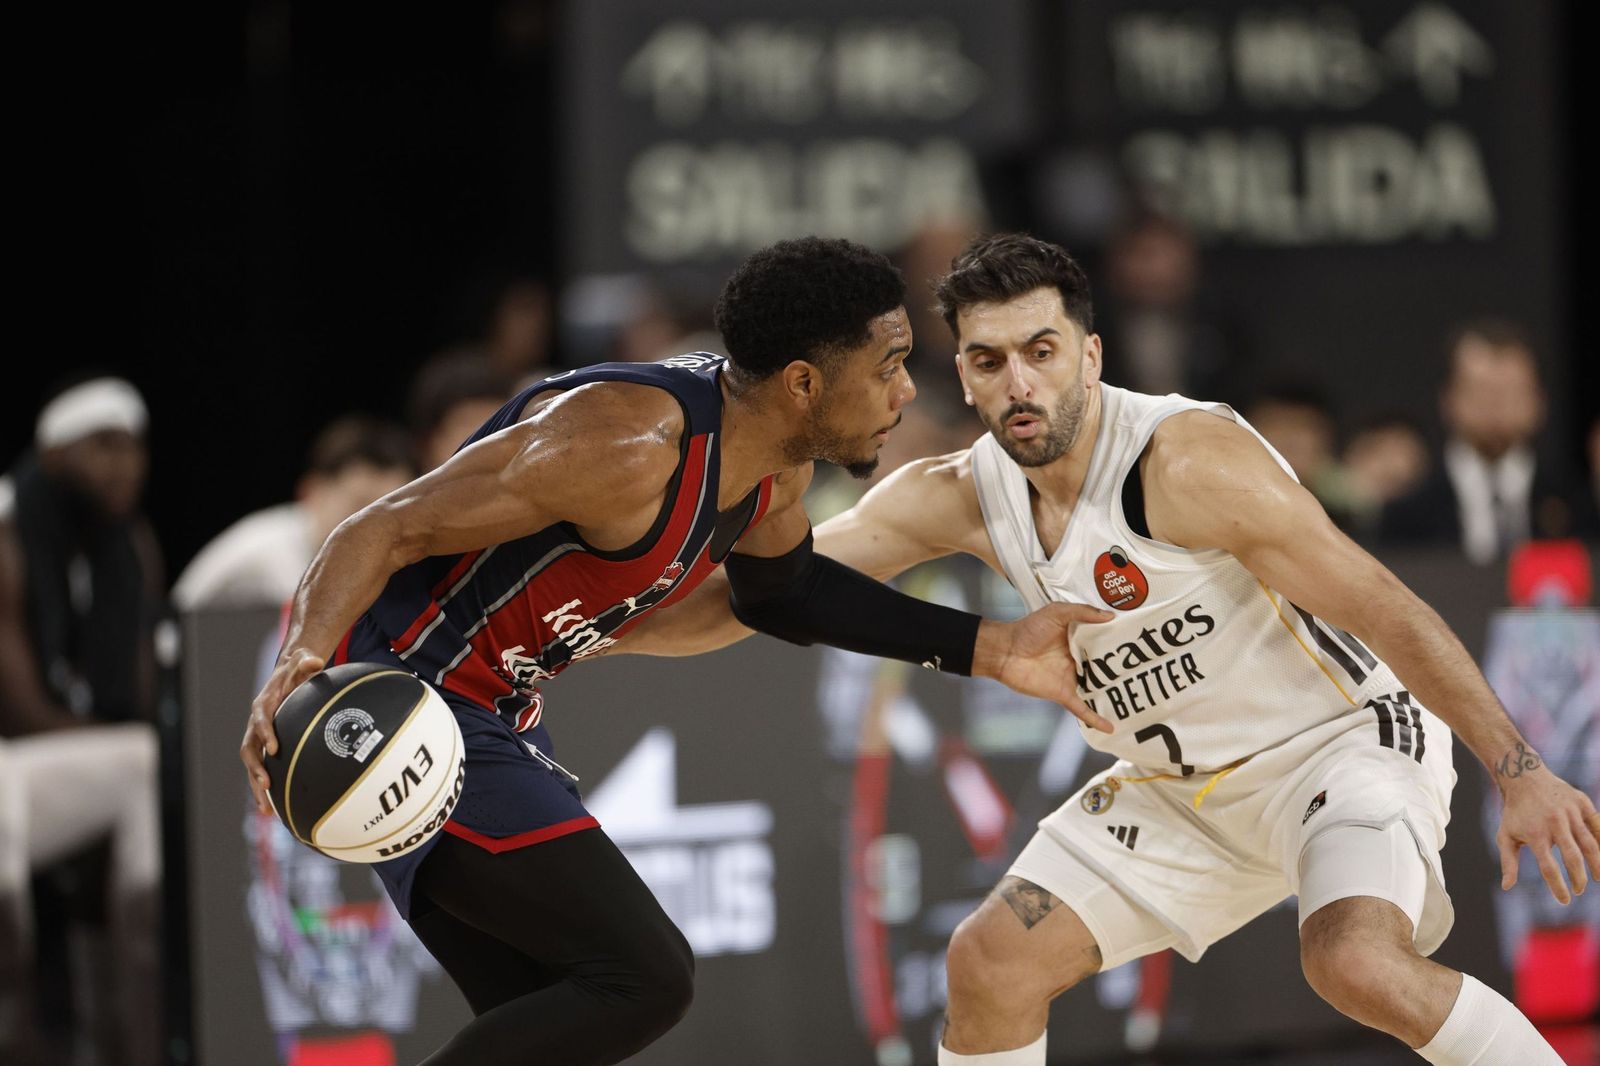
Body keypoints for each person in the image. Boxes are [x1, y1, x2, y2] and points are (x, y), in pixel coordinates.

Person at [618, 234, 1598, 1064]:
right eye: (990, 360)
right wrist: (575, 634)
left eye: (1041, 350)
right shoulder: (956, 492)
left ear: (1089, 354)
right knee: (988, 962)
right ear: (961, 373)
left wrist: (1518, 772)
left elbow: (1389, 608)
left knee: (1353, 962)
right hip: (1176, 787)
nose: (1020, 381)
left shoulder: (1186, 462)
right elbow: (761, 594)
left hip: (1335, 747)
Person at [240, 237, 1111, 1066]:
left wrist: (991, 648)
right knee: (645, 977)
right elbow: (383, 527)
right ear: (805, 382)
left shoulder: (775, 476)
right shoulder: (623, 443)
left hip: (496, 710)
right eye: (886, 367)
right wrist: (299, 665)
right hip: (408, 702)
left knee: (545, 1023)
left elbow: (788, 594)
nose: (906, 393)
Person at [0, 376, 164, 1066]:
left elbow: (142, 690)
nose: (124, 463)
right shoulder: (7, 535)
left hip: (67, 763)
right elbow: (20, 709)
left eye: (133, 446)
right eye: (103, 445)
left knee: (149, 787)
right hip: (13, 760)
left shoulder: (130, 547)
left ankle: (131, 1041)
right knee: (140, 762)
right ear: (55, 454)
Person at [1380, 320, 1583, 563]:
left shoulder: (1578, 509)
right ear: (1448, 400)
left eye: (1510, 391)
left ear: (1538, 401)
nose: (1495, 405)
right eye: (1481, 389)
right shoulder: (1406, 518)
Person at [173, 415, 414, 611]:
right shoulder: (265, 555)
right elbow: (171, 630)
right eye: (361, 506)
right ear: (312, 493)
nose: (375, 528)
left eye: (392, 513)